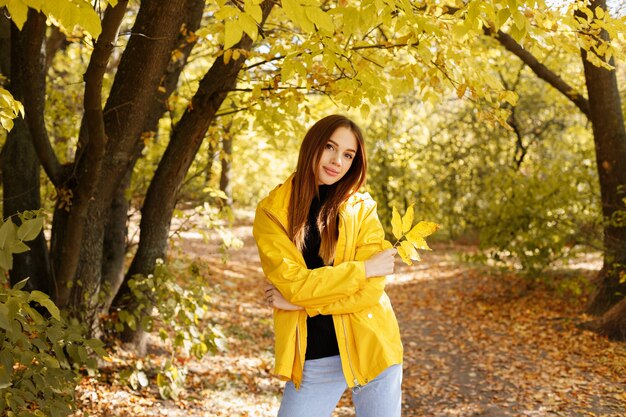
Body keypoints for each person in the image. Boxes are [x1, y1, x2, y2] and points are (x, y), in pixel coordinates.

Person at [252, 114, 403, 417]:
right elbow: (294, 285)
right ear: (313, 146)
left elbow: (370, 293)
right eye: (330, 148)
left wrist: (305, 304)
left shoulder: (362, 208)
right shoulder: (272, 213)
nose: (337, 161)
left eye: (348, 155)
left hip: (373, 347)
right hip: (314, 357)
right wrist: (362, 270)